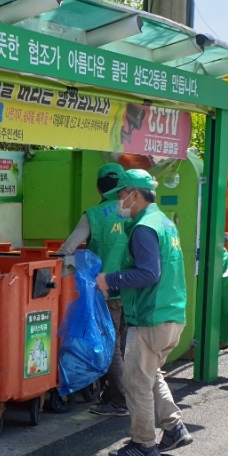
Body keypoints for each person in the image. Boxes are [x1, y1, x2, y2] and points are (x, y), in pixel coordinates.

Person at [93, 169, 194, 456]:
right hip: (172, 314)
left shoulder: (143, 228)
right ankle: (174, 427)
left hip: (151, 317)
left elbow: (149, 273)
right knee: (152, 375)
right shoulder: (163, 222)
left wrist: (109, 280)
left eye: (121, 196)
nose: (118, 203)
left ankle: (144, 443)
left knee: (136, 381)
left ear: (135, 194)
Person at [58, 163, 132, 417]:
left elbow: (67, 249)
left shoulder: (95, 214)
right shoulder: (135, 212)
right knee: (127, 346)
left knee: (111, 347)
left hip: (106, 292)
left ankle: (120, 401)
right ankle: (121, 396)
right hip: (134, 290)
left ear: (99, 187)